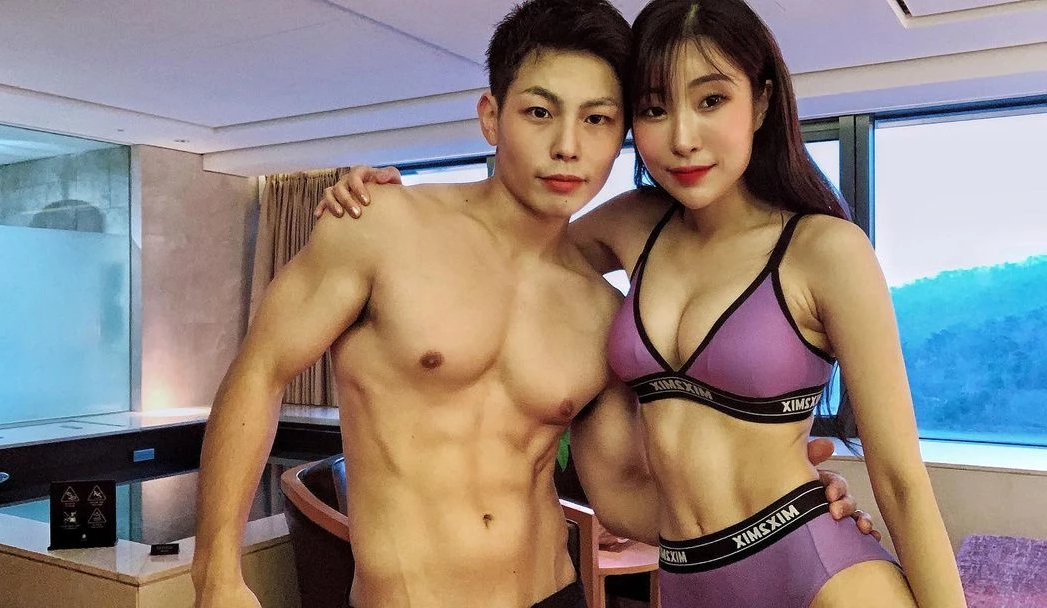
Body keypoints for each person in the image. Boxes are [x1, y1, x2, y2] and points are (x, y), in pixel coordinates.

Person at [196, 1, 870, 607]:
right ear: (492, 116)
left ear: (621, 133)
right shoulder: (382, 227)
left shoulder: (603, 312)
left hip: (555, 593)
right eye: (540, 113)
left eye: (597, 119)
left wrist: (781, 506)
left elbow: (624, 499)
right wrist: (217, 573)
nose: (568, 146)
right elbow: (259, 372)